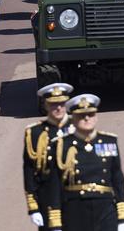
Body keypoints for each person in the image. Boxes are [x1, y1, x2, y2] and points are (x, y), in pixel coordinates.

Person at [46, 94, 124, 231]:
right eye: (81, 115)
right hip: (75, 210)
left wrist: (122, 219)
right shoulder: (61, 146)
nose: (86, 118)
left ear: (96, 116)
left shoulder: (109, 141)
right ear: (73, 118)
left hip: (105, 209)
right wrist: (55, 222)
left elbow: (118, 180)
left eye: (90, 114)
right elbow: (54, 185)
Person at [23, 83, 75, 230]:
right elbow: (29, 171)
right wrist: (33, 207)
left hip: (76, 199)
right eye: (53, 104)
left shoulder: (78, 128)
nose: (58, 108)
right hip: (48, 199)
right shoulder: (35, 133)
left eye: (61, 104)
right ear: (46, 106)